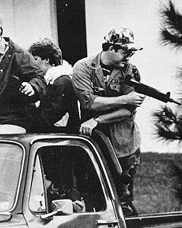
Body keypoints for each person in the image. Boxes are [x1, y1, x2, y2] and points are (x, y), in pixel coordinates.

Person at [72, 27, 146, 216]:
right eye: (125, 51)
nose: (129, 56)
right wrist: (124, 99)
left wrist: (98, 119)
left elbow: (129, 110)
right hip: (93, 146)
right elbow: (88, 102)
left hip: (124, 145)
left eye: (131, 52)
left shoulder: (131, 70)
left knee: (124, 199)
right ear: (110, 48)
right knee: (94, 198)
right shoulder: (83, 67)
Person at [28, 38, 80, 133]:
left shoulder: (62, 81)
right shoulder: (52, 80)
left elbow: (52, 114)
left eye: (35, 59)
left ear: (47, 60)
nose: (32, 63)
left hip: (62, 136)